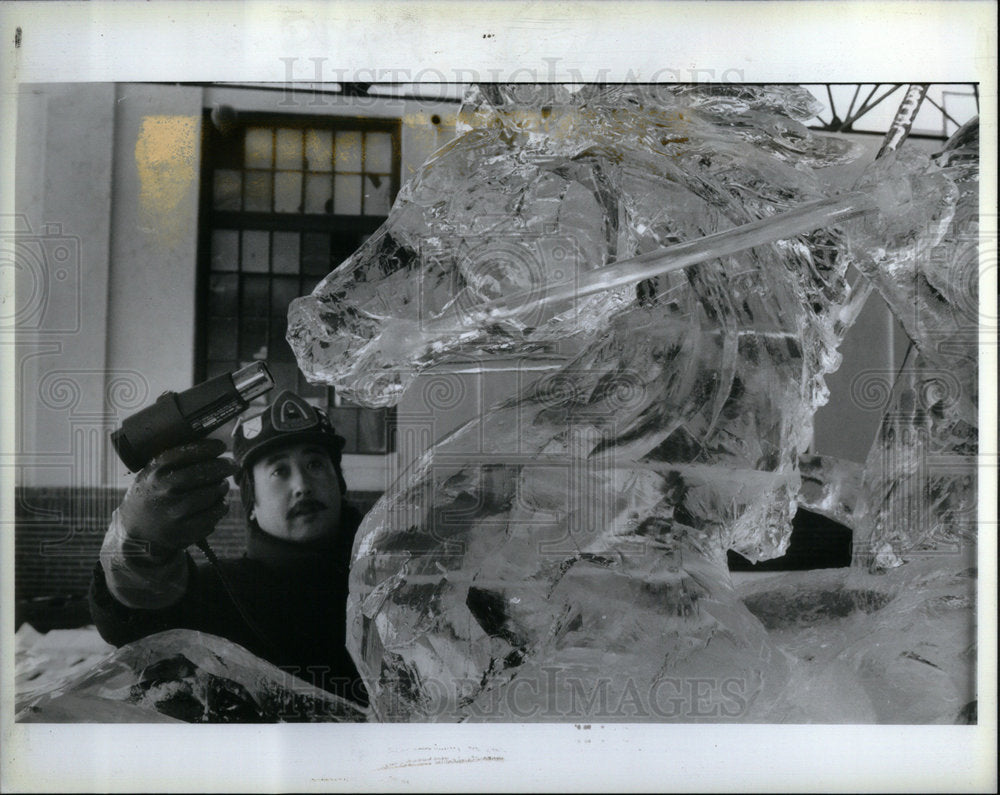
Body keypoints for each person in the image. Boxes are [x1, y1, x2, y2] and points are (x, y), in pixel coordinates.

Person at [88, 390, 368, 707]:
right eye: (279, 471)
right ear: (252, 502)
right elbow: (131, 626)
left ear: (338, 483)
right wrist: (139, 551)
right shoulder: (216, 595)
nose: (302, 485)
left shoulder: (387, 577)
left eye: (316, 464)